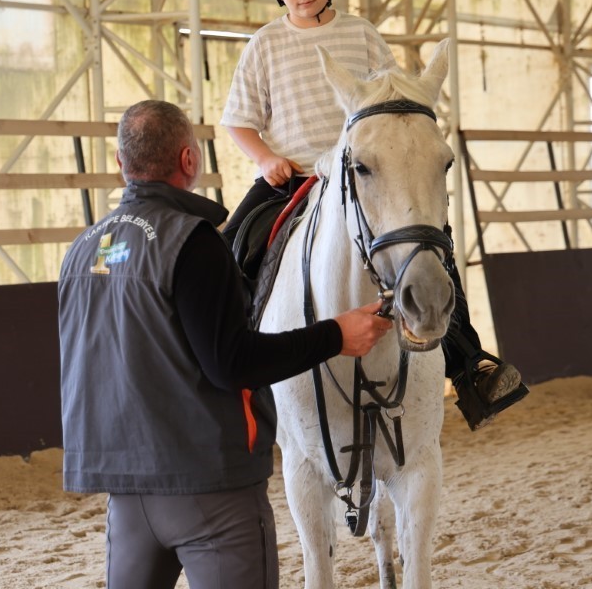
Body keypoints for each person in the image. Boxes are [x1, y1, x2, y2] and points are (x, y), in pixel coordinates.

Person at [58, 99, 393, 589]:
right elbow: (231, 363)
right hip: (209, 492)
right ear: (189, 160)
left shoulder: (83, 249)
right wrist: (335, 335)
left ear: (120, 163)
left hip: (123, 493)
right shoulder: (192, 241)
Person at [220, 0, 528, 431]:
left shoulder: (361, 35)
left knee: (432, 244)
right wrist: (264, 159)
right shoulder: (264, 45)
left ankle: (468, 364)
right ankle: (230, 375)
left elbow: (392, 100)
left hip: (363, 178)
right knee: (232, 250)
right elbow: (238, 122)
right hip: (293, 180)